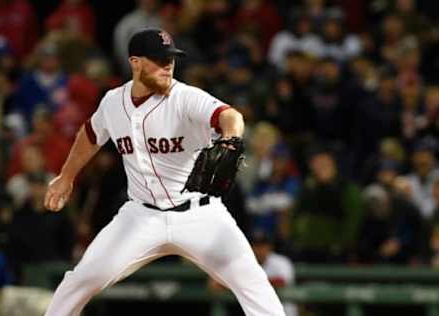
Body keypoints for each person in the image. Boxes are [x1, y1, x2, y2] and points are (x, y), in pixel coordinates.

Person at [43, 27, 285, 316]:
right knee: (80, 280)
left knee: (254, 284)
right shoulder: (112, 102)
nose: (168, 65)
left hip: (200, 215)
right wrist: (66, 176)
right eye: (159, 59)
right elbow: (91, 134)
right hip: (141, 216)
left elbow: (230, 116)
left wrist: (231, 138)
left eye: (171, 59)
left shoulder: (185, 98)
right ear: (135, 62)